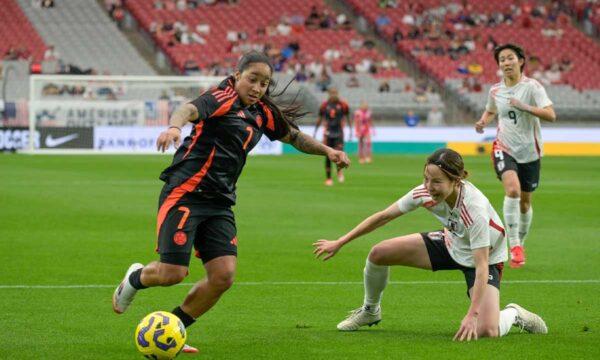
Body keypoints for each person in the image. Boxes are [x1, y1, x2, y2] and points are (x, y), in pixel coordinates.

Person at [112, 51, 351, 352]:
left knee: (223, 276)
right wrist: (174, 127)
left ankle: (174, 329)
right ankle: (134, 278)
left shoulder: (262, 111)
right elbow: (187, 109)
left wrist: (328, 151)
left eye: (264, 83)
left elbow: (293, 136)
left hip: (221, 202)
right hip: (186, 192)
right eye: (253, 79)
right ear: (237, 75)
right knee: (172, 274)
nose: (258, 88)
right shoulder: (221, 97)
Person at [313, 148, 547, 340]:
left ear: (456, 181)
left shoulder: (473, 210)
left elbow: (482, 264)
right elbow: (384, 216)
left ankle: (514, 314)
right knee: (378, 253)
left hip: (483, 256)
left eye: (436, 181)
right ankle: (370, 311)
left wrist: (472, 314)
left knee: (487, 330)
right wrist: (341, 241)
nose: (428, 186)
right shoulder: (424, 192)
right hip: (452, 241)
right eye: (426, 178)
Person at [475, 43, 556, 268]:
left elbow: (551, 114)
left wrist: (525, 107)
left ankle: (520, 240)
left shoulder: (533, 87)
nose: (506, 63)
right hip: (504, 147)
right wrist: (483, 121)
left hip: (530, 152)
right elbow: (491, 109)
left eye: (510, 58)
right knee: (513, 190)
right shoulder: (495, 90)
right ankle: (514, 245)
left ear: (520, 61)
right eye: (502, 60)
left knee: (525, 202)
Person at [314, 87, 351, 186]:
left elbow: (347, 117)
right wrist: (315, 131)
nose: (334, 95)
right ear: (329, 94)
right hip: (328, 134)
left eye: (335, 93)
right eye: (332, 93)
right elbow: (320, 118)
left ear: (338, 93)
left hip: (339, 133)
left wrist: (351, 130)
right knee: (328, 155)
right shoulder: (324, 105)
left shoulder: (343, 105)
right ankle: (329, 178)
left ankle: (339, 171)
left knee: (339, 154)